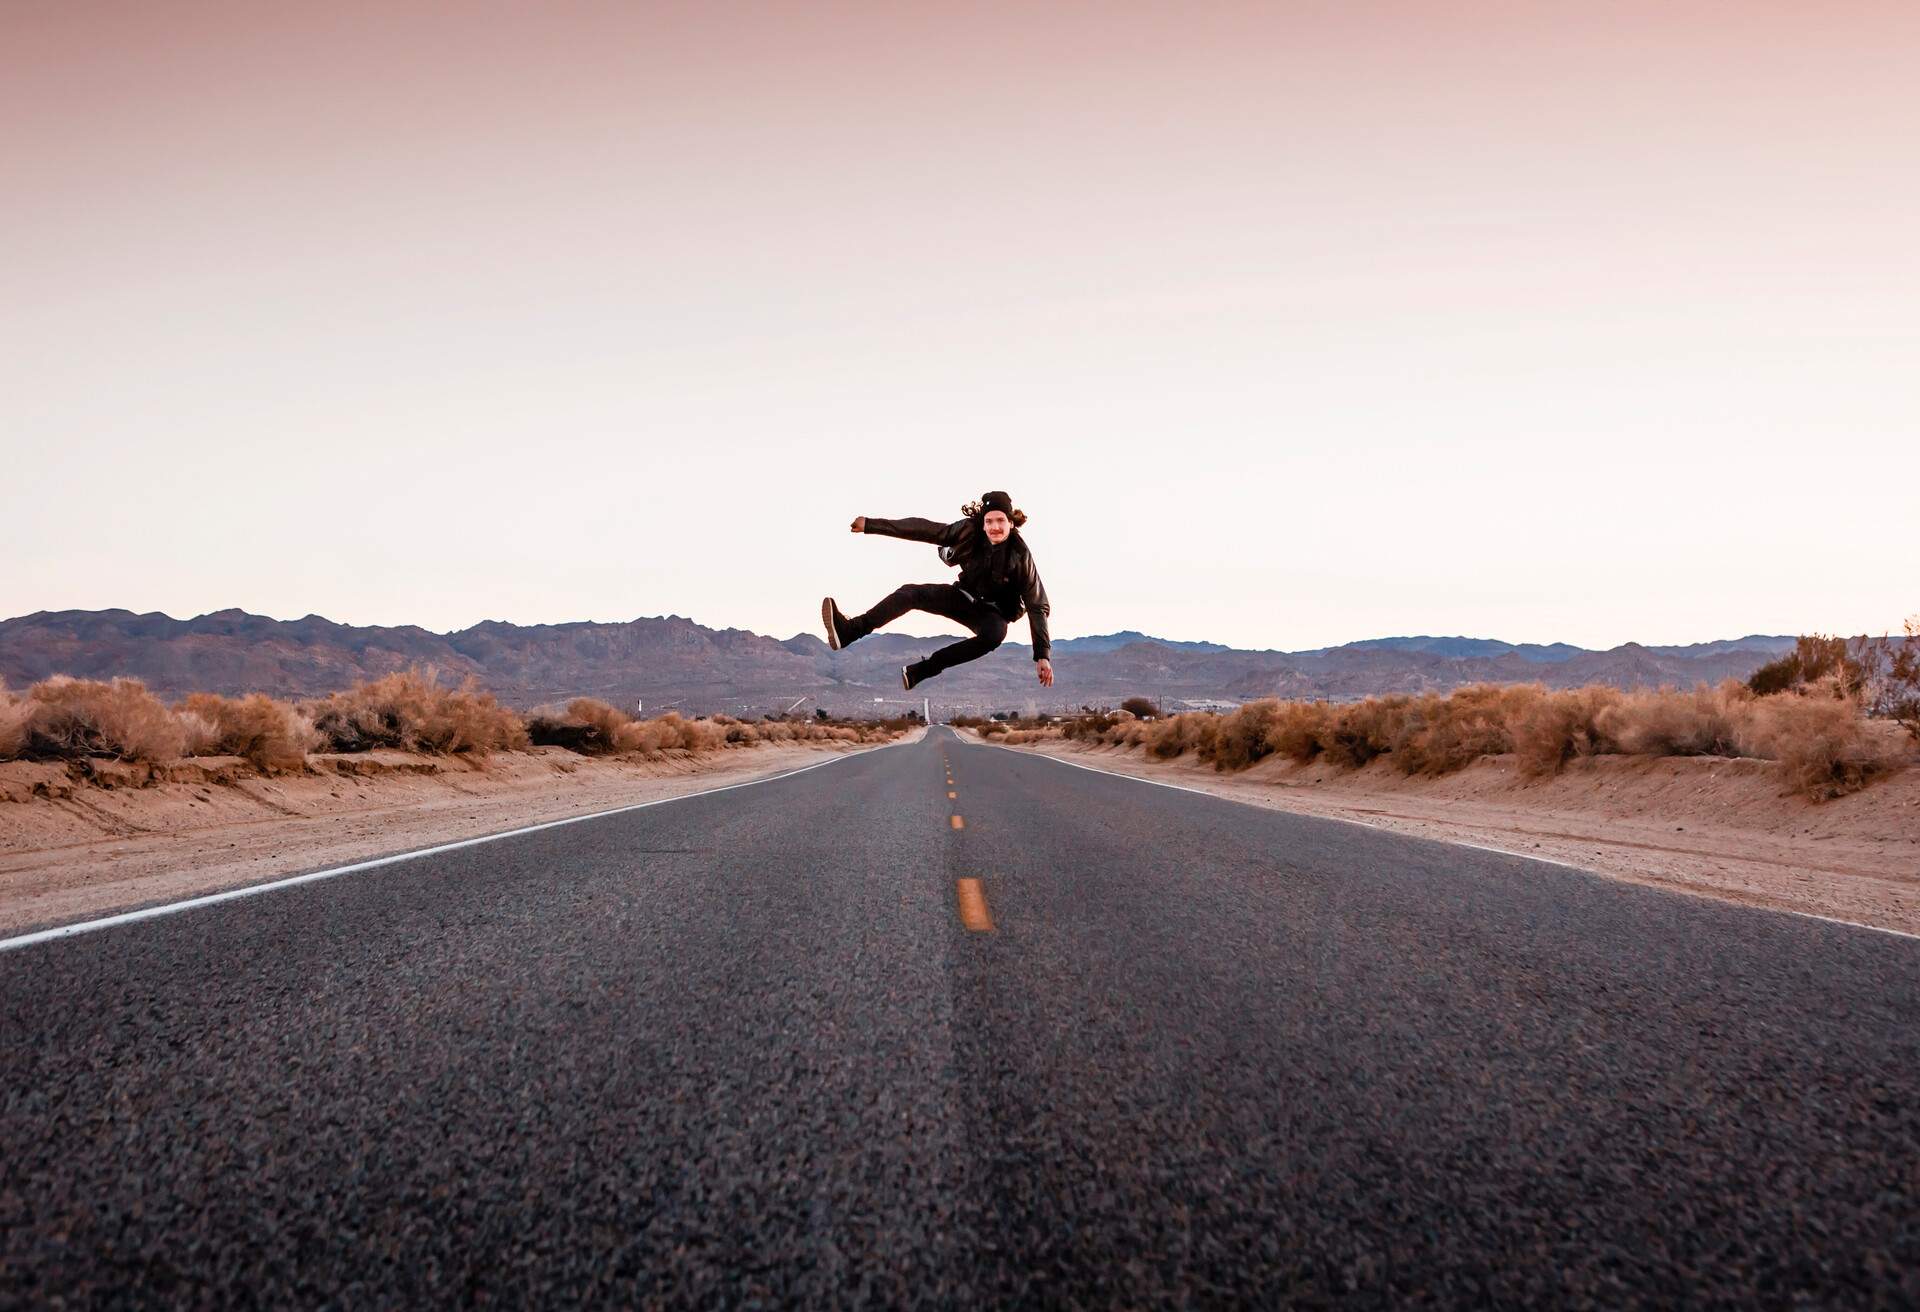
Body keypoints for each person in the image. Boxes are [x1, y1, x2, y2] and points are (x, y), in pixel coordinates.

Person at [822, 490, 1053, 691]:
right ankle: (849, 631)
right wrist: (872, 525)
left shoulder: (1020, 555)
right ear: (982, 523)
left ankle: (922, 670)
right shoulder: (968, 531)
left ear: (1011, 523)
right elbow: (925, 530)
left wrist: (1042, 655)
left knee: (995, 634)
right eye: (989, 521)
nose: (995, 527)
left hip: (992, 614)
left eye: (1000, 521)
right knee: (910, 593)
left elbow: (1037, 604)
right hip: (961, 597)